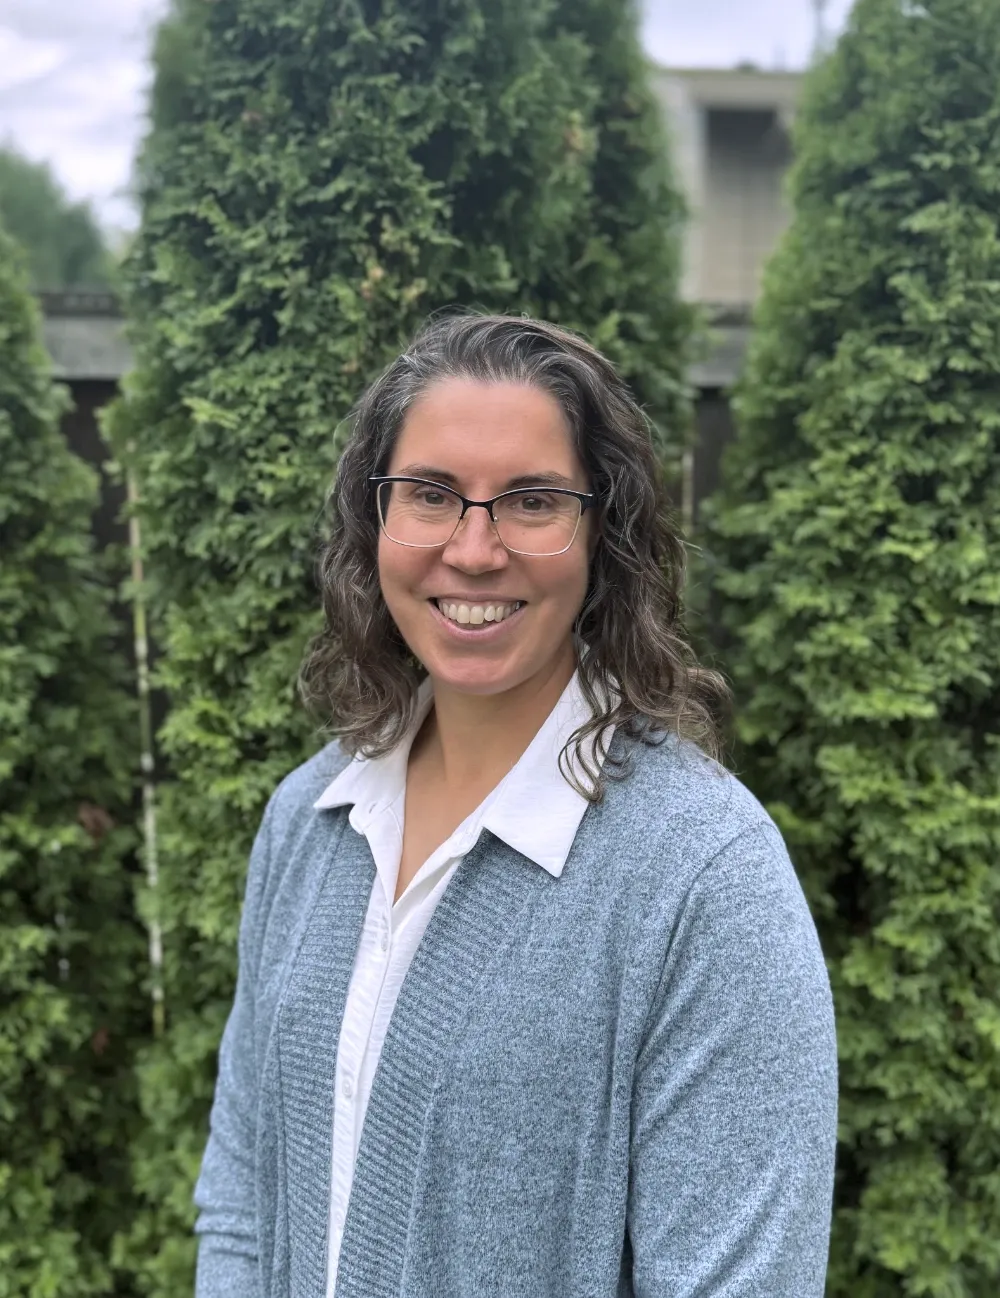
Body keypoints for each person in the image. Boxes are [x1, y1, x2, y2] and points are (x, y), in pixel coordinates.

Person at [193, 313, 838, 1298]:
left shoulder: (706, 879)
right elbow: (243, 1195)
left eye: (532, 501)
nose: (474, 548)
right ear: (375, 517)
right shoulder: (308, 818)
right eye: (430, 494)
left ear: (602, 532)